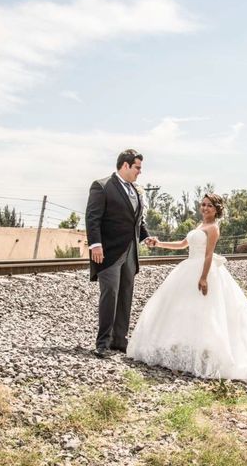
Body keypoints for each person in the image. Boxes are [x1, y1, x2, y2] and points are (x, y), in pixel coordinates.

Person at [127, 193, 247, 407]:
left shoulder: (213, 228)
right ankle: (184, 352)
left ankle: (204, 356)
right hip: (187, 268)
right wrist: (159, 242)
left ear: (217, 209)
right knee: (183, 312)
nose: (205, 208)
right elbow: (183, 245)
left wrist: (203, 277)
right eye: (203, 204)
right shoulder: (200, 225)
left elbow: (208, 255)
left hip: (202, 271)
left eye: (209, 205)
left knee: (206, 314)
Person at [86, 149, 156, 358]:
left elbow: (137, 221)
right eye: (137, 168)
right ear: (125, 165)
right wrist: (96, 245)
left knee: (125, 296)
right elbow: (92, 218)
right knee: (110, 295)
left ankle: (119, 340)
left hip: (131, 253)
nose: (139, 172)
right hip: (108, 252)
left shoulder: (136, 190)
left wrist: (146, 237)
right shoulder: (102, 186)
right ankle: (103, 343)